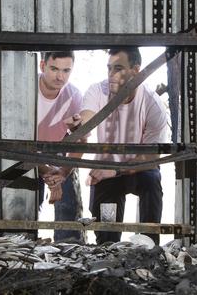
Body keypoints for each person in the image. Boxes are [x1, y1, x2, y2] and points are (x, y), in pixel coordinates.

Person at [66, 47, 169, 245]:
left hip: (137, 171)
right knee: (107, 239)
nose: (111, 75)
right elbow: (87, 117)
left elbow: (150, 159)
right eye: (109, 68)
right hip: (106, 172)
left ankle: (149, 244)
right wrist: (79, 124)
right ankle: (108, 247)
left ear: (135, 71)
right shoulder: (98, 90)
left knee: (151, 180)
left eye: (118, 68)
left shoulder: (152, 105)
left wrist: (114, 171)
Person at [37, 51, 84, 241]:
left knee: (67, 197)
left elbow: (81, 142)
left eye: (66, 70)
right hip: (22, 148)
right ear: (42, 66)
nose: (60, 77)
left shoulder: (73, 95)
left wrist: (62, 174)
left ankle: (67, 247)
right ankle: (24, 239)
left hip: (55, 149)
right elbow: (11, 135)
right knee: (25, 198)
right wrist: (44, 170)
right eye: (54, 69)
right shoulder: (25, 86)